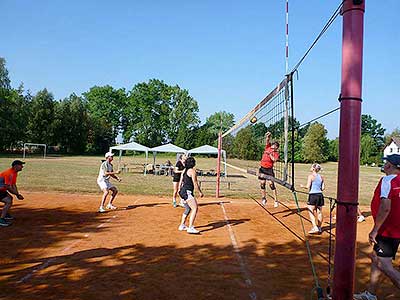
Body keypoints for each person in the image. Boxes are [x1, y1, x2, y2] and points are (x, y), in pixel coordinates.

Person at [354, 154, 400, 300]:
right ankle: (371, 294)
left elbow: (385, 207)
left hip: (387, 230)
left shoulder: (387, 180)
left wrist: (375, 229)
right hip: (396, 229)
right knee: (376, 258)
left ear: (390, 166)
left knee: (384, 264)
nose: (384, 164)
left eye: (386, 162)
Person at [178, 156, 204, 234]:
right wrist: (200, 192)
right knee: (195, 208)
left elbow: (181, 181)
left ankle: (182, 225)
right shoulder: (192, 171)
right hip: (187, 192)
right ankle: (190, 227)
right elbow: (195, 183)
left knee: (188, 209)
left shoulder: (184, 170)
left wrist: (179, 190)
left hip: (182, 191)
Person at [0, 160, 25, 227]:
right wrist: (17, 195)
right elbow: (8, 187)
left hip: (2, 190)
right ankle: (1, 220)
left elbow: (13, 185)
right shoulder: (9, 173)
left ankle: (5, 214)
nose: (22, 166)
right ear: (15, 166)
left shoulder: (14, 173)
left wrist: (17, 194)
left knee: (10, 198)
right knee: (8, 201)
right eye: (20, 165)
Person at [301, 163, 325, 234]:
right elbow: (323, 188)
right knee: (319, 212)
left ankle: (315, 227)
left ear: (314, 169)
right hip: (320, 195)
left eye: (312, 167)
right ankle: (319, 228)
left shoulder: (311, 176)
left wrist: (302, 186)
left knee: (310, 211)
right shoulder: (322, 177)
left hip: (313, 195)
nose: (310, 167)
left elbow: (307, 186)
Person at [258, 131, 280, 207]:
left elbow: (274, 160)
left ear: (277, 147)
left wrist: (270, 155)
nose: (273, 146)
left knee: (271, 185)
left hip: (269, 169)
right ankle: (264, 198)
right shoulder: (268, 147)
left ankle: (276, 200)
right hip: (262, 168)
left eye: (275, 145)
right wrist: (268, 136)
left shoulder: (276, 153)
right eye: (273, 144)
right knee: (262, 183)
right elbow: (267, 140)